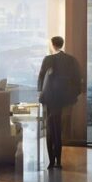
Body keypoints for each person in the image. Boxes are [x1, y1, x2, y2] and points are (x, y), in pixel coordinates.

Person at [38, 36, 83, 169]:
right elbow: (78, 78)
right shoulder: (71, 60)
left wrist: (40, 93)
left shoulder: (48, 59)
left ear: (52, 45)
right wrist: (73, 95)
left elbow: (41, 77)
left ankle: (52, 160)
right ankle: (58, 160)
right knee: (60, 129)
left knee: (50, 129)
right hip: (64, 99)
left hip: (49, 98)